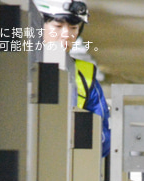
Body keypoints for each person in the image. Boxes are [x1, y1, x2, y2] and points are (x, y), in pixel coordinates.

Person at [34, 0, 111, 157]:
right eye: (58, 26)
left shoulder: (85, 76)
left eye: (73, 28)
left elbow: (102, 139)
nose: (67, 35)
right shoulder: (13, 67)